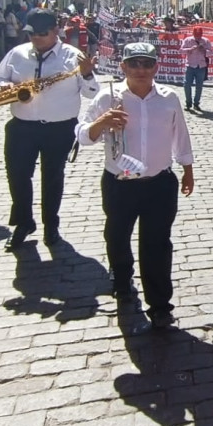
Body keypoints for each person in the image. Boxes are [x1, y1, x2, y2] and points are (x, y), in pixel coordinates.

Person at [78, 42, 195, 331]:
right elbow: (81, 135)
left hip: (159, 182)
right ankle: (121, 279)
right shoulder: (108, 97)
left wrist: (187, 170)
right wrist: (102, 122)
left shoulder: (169, 98)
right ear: (123, 67)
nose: (140, 70)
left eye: (146, 64)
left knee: (157, 244)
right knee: (117, 236)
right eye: (134, 64)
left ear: (156, 67)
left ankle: (159, 305)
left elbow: (180, 134)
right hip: (120, 184)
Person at [0, 8, 99, 250]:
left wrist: (88, 74)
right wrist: (5, 87)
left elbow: (92, 93)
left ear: (55, 31)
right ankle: (23, 222)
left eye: (41, 34)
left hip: (59, 129)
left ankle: (51, 225)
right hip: (22, 126)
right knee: (17, 176)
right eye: (32, 34)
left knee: (52, 179)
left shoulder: (73, 56)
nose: (36, 39)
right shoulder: (17, 54)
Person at [180, 26, 212, 112]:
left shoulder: (205, 41)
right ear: (193, 33)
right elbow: (181, 50)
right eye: (196, 35)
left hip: (201, 66)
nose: (198, 36)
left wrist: (204, 50)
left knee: (199, 86)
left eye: (199, 35)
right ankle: (188, 103)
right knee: (187, 84)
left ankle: (196, 103)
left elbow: (211, 52)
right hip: (190, 65)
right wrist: (189, 49)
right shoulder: (187, 40)